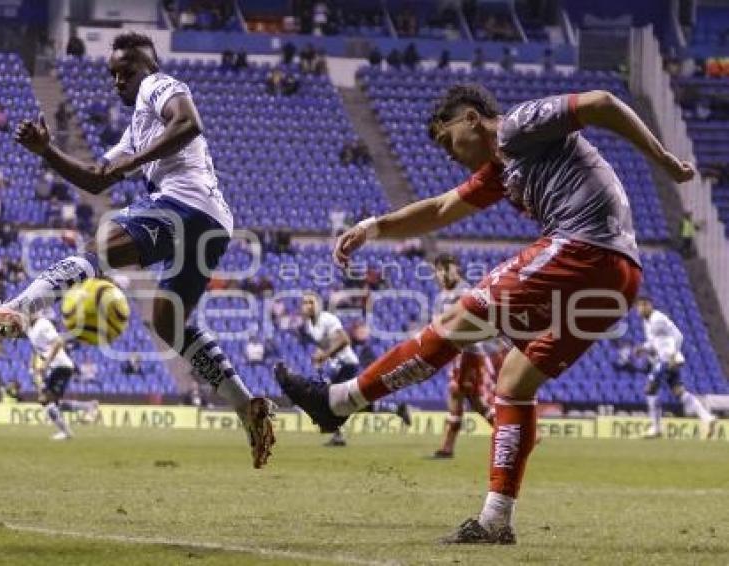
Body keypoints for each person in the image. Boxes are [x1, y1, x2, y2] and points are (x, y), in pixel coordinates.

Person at [275, 83, 695, 544]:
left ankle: (340, 401)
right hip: (619, 276)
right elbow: (440, 208)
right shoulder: (503, 170)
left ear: (472, 119)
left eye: (446, 138)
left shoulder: (517, 127)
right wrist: (373, 227)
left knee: (458, 321)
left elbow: (601, 103)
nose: (448, 153)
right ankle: (496, 520)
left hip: (583, 248)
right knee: (514, 382)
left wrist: (664, 159)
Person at [0, 32, 275, 469]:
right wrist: (48, 151)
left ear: (147, 67)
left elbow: (189, 122)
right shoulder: (137, 129)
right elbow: (97, 178)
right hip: (214, 222)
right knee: (168, 322)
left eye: (127, 71)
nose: (119, 81)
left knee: (98, 246)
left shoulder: (157, 87)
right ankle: (245, 405)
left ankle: (22, 308)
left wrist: (132, 163)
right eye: (114, 75)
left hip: (185, 202)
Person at [298, 291, 411, 447]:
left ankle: (338, 435)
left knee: (330, 399)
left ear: (318, 305)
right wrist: (320, 353)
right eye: (304, 303)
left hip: (347, 363)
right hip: (337, 364)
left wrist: (325, 355)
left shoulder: (327, 319)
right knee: (348, 403)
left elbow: (345, 340)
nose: (307, 306)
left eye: (311, 302)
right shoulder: (310, 326)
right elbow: (326, 343)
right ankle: (396, 409)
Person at [430, 254, 506, 459]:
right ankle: (510, 433)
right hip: (456, 353)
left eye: (448, 268)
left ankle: (447, 447)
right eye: (440, 269)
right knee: (473, 400)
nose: (444, 273)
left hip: (469, 351)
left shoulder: (465, 292)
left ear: (458, 269)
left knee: (457, 391)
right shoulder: (440, 298)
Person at [634, 297, 716, 439]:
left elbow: (678, 336)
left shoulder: (657, 319)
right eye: (638, 306)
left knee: (649, 389)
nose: (639, 309)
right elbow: (656, 342)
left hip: (667, 359)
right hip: (667, 359)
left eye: (642, 305)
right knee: (679, 392)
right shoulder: (647, 322)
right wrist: (643, 348)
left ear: (649, 305)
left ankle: (656, 428)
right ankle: (707, 417)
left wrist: (673, 355)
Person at [27, 312, 98, 440]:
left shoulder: (43, 324)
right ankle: (87, 406)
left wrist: (46, 363)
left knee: (45, 400)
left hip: (62, 366)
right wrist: (33, 367)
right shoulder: (30, 330)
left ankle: (66, 432)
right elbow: (36, 350)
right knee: (52, 403)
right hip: (55, 367)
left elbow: (59, 342)